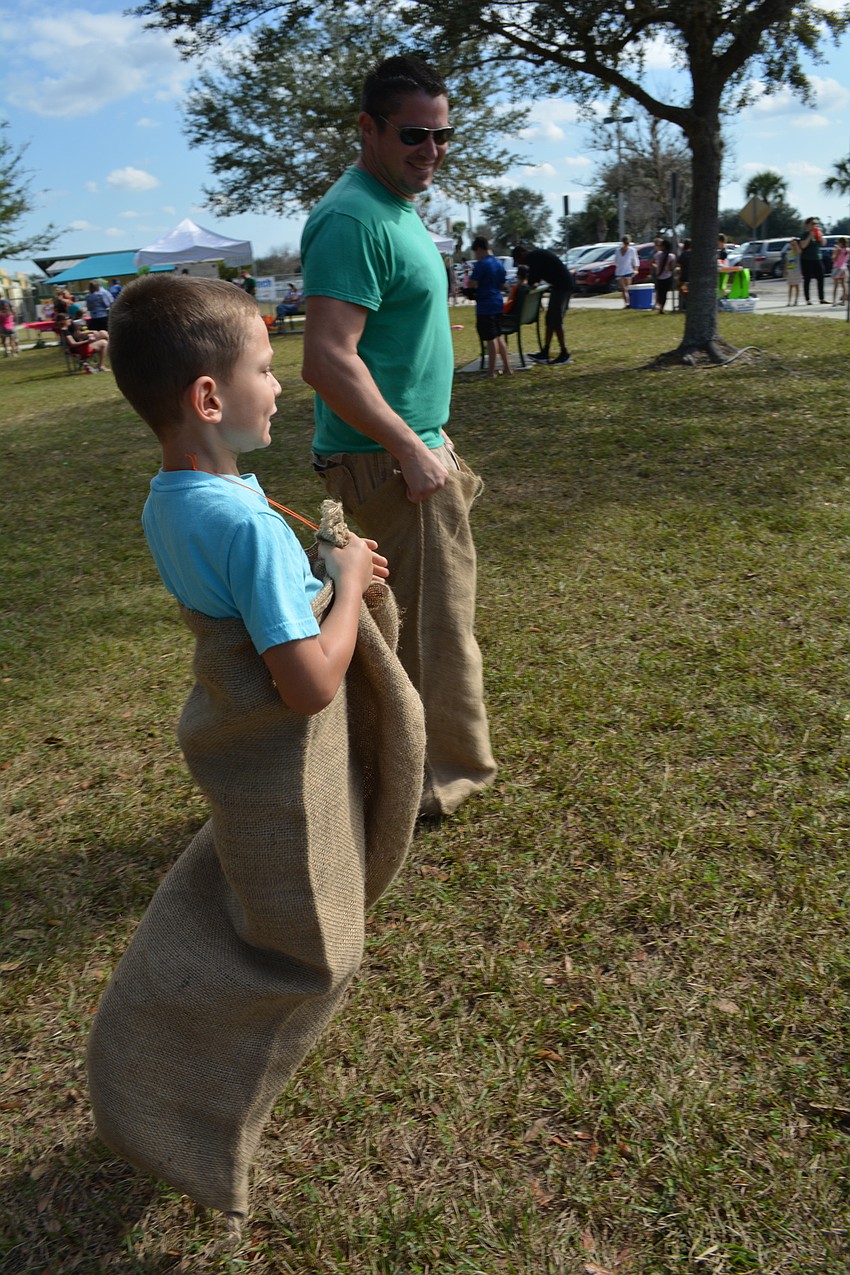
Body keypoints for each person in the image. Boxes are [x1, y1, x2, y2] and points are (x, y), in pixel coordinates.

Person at [87, 272, 425, 1223]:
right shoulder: (242, 522)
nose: (280, 386)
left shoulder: (175, 499)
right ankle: (182, 1103)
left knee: (234, 898)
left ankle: (157, 1065)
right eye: (265, 369)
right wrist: (349, 580)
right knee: (311, 950)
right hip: (282, 762)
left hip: (228, 745)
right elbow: (310, 681)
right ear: (208, 397)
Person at [300, 54, 497, 818]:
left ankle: (399, 770)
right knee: (429, 633)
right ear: (368, 128)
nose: (433, 149)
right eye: (415, 133)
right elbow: (326, 358)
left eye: (444, 135)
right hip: (389, 462)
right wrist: (411, 447)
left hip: (403, 450)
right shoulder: (352, 217)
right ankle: (430, 782)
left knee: (417, 625)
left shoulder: (395, 209)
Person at [512, 243, 573, 365]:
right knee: (550, 320)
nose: (522, 264)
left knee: (556, 320)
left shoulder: (533, 258)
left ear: (522, 254)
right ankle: (545, 352)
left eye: (519, 261)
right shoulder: (536, 256)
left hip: (563, 287)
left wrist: (524, 287)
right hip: (559, 286)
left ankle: (564, 353)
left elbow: (533, 280)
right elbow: (535, 279)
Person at [468, 235, 512, 378]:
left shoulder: (482, 264)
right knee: (498, 336)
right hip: (497, 302)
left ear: (479, 249)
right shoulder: (498, 263)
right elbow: (502, 284)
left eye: (476, 252)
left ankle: (491, 371)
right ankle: (507, 368)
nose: (477, 255)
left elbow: (472, 283)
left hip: (485, 305)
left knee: (490, 338)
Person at [798, 217, 827, 305]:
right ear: (808, 225)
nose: (815, 225)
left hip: (817, 258)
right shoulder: (804, 234)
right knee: (807, 279)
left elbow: (823, 244)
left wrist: (820, 236)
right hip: (807, 259)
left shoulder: (817, 233)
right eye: (813, 223)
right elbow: (802, 246)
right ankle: (808, 299)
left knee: (821, 278)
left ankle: (821, 298)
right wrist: (810, 236)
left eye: (816, 224)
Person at [613, 235, 639, 308]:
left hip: (628, 271)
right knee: (623, 289)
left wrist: (636, 269)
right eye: (625, 243)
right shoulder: (618, 251)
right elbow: (616, 261)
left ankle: (630, 302)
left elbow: (635, 260)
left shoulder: (632, 250)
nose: (626, 244)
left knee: (628, 288)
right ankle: (626, 303)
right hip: (619, 271)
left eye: (627, 243)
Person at [653, 238, 675, 313]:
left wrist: (656, 266)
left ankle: (659, 306)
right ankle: (662, 307)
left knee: (660, 293)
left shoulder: (658, 255)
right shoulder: (671, 256)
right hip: (668, 276)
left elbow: (651, 262)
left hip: (659, 277)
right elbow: (671, 268)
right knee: (665, 293)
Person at [830, 236, 848, 306]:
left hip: (837, 268)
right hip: (844, 267)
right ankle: (843, 301)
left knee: (835, 286)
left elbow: (834, 259)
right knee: (844, 285)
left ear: (840, 243)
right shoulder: (847, 250)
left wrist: (836, 252)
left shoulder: (837, 250)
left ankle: (834, 301)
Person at [676, 238, 692, 312]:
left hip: (684, 277)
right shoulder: (694, 254)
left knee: (684, 292)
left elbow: (678, 265)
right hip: (691, 277)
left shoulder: (683, 254)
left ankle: (683, 306)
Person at [785, 238, 801, 306]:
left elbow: (799, 252)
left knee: (797, 285)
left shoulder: (797, 252)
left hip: (796, 271)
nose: (793, 246)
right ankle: (789, 301)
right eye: (792, 245)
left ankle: (796, 300)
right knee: (790, 286)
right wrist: (785, 270)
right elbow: (787, 262)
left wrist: (796, 244)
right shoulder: (789, 253)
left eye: (794, 245)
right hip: (790, 271)